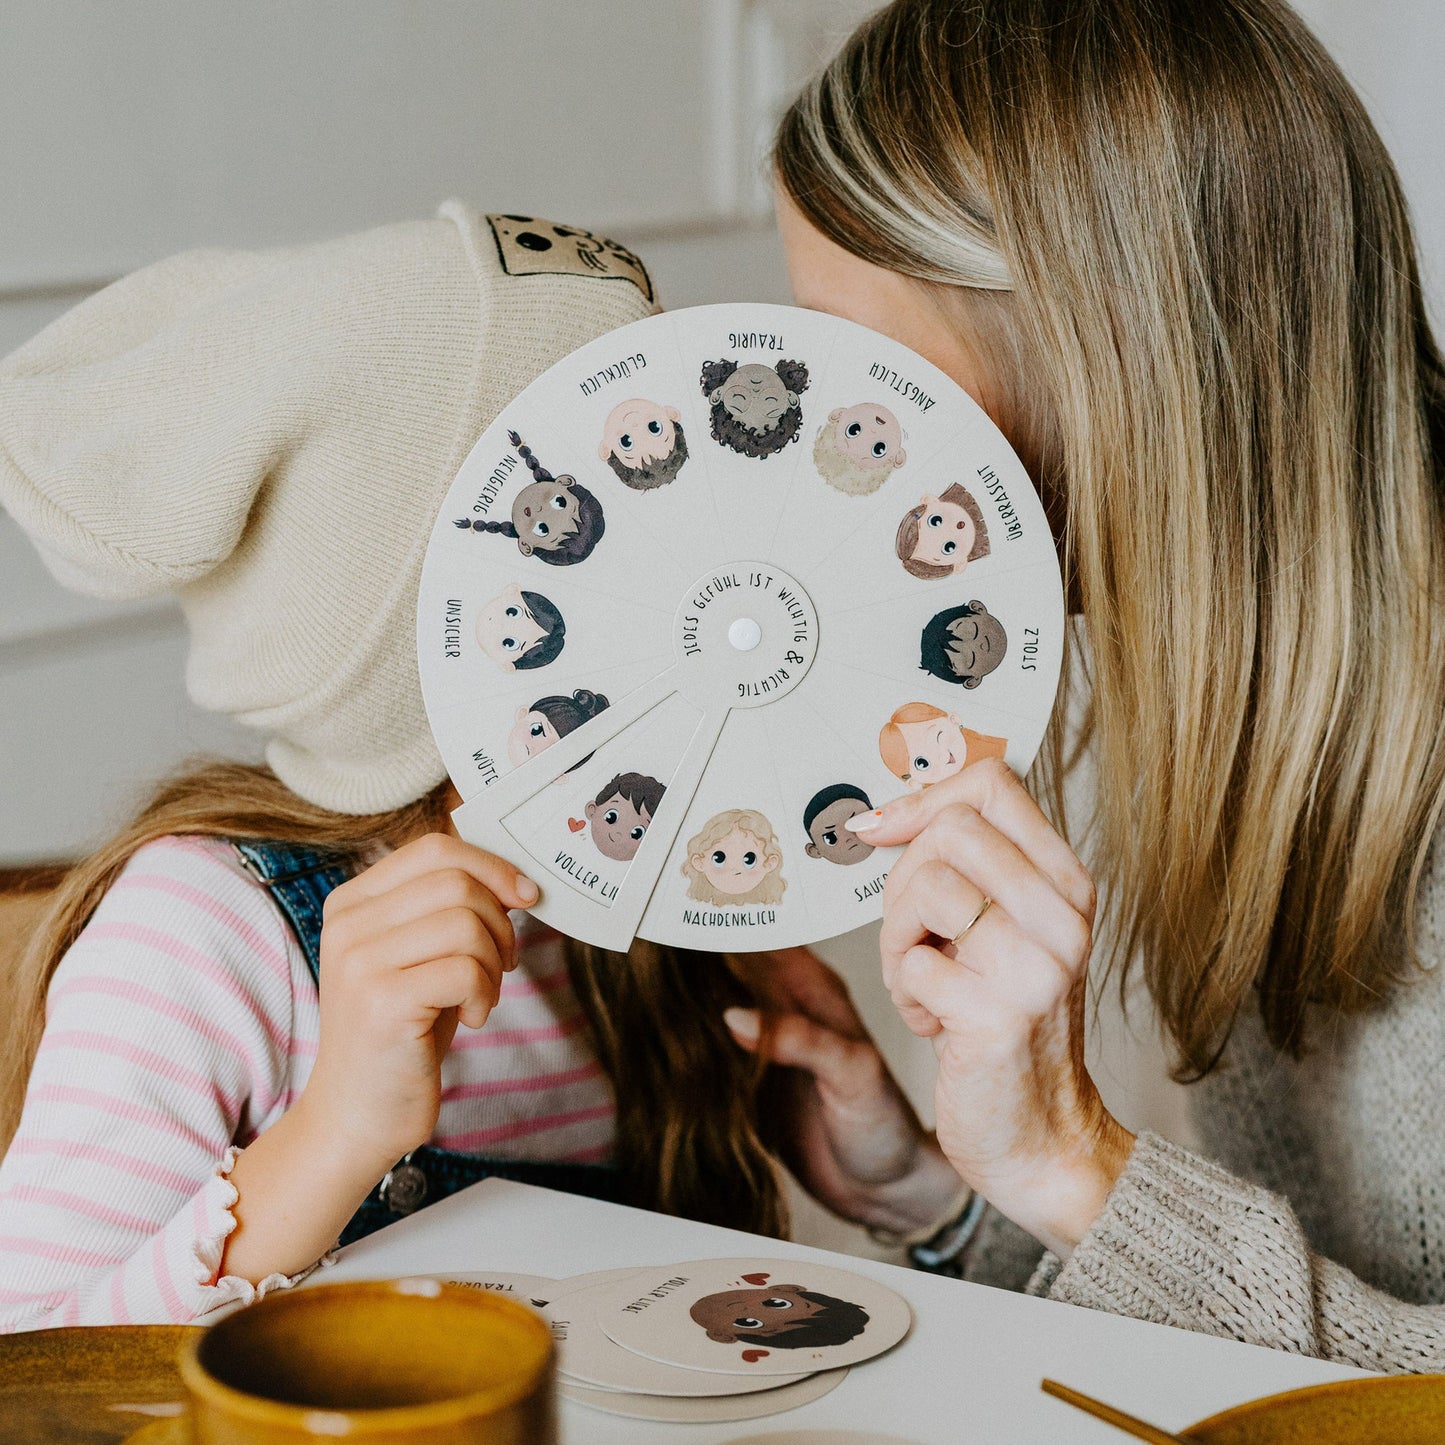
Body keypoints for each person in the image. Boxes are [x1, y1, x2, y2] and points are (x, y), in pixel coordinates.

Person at [0, 203, 963, 1331]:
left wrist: (902, 1186)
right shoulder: (205, 931)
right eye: (628, 522)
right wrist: (338, 1131)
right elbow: (37, 1371)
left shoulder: (652, 903)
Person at [771, 0, 1445, 1372]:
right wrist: (955, 1195)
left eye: (879, 387)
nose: (830, 462)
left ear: (1111, 361)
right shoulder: (1244, 669)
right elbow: (1282, 1322)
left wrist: (1081, 1162)